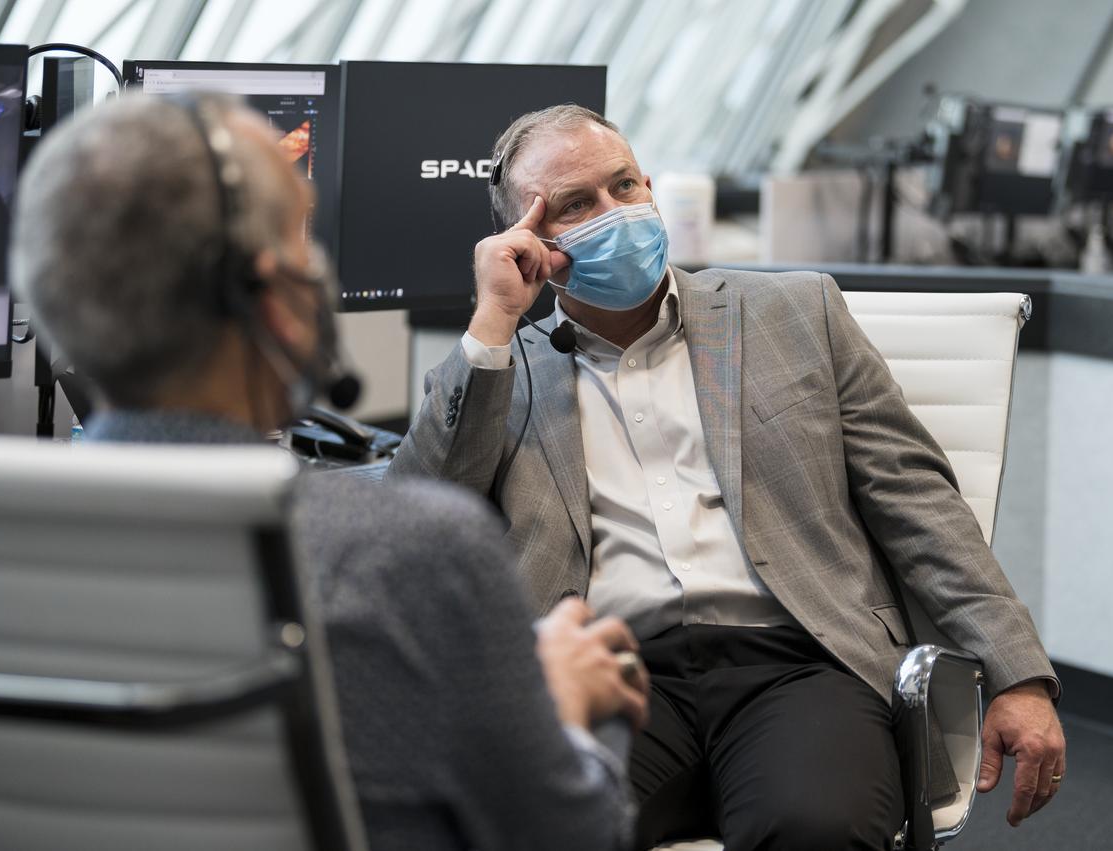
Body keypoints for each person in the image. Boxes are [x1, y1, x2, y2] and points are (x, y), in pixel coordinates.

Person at [390, 104, 1067, 851]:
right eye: (576, 205)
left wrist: (1018, 673)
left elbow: (919, 502)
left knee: (816, 830)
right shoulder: (500, 371)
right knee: (515, 826)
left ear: (649, 186)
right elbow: (417, 517)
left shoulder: (794, 311)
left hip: (796, 661)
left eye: (623, 186)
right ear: (529, 241)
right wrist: (491, 326)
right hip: (611, 670)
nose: (613, 212)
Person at [11, 93, 647, 851]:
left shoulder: (2, 551)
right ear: (276, 304)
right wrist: (569, 707)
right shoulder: (418, 553)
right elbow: (576, 836)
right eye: (304, 237)